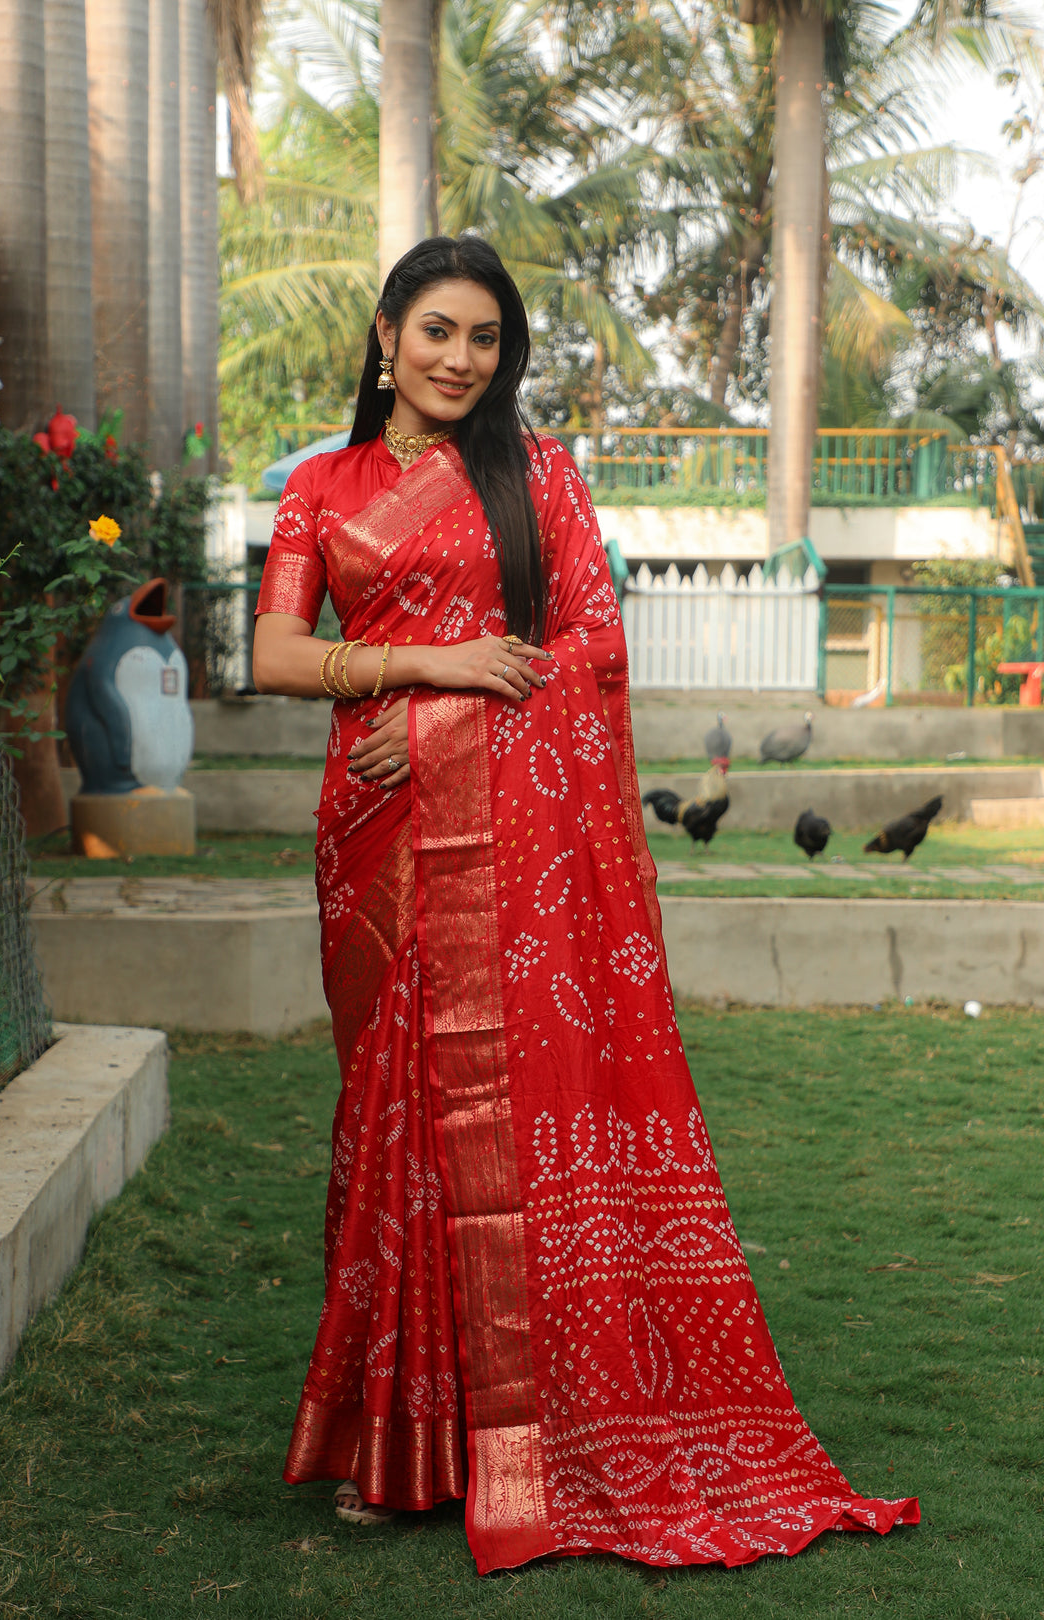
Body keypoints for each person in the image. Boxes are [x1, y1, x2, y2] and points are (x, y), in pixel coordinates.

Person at [252, 234, 918, 1576]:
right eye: (438, 329)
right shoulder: (320, 488)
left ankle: (528, 1437)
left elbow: (592, 653)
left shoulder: (538, 474)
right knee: (400, 1127)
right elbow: (272, 652)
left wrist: (436, 718)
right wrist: (426, 661)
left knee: (492, 1128)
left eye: (486, 339)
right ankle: (405, 1444)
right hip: (377, 843)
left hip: (506, 849)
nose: (459, 359)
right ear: (384, 334)